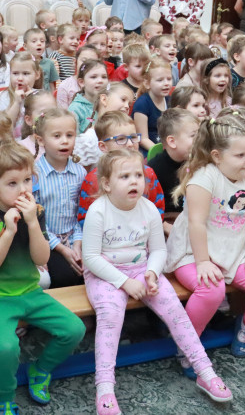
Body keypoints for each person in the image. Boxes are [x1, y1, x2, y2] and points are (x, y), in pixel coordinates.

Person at [83, 150, 232, 412]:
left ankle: (204, 370)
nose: (134, 181)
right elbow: (91, 258)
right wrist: (125, 283)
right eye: (125, 176)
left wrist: (152, 272)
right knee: (110, 315)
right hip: (105, 273)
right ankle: (104, 387)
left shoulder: (149, 208)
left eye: (138, 175)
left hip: (142, 268)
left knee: (175, 310)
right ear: (106, 184)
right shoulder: (98, 211)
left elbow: (159, 250)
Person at [0, 142, 85, 415]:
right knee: (7, 347)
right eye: (12, 183)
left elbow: (41, 259)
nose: (23, 189)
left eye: (26, 180)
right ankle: (4, 399)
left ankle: (40, 369)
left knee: (74, 329)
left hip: (29, 292)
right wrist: (8, 232)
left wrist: (32, 223)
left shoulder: (37, 212)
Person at [164, 113, 245, 364]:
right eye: (240, 155)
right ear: (217, 156)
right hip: (193, 252)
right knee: (211, 290)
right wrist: (203, 261)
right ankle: (188, 346)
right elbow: (196, 223)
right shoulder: (204, 177)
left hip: (233, 248)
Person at [31, 108, 87, 288]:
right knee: (64, 276)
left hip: (75, 237)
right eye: (57, 136)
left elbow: (81, 212)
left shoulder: (80, 172)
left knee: (90, 269)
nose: (64, 141)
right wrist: (61, 248)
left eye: (69, 135)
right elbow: (34, 218)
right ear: (41, 140)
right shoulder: (34, 174)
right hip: (45, 240)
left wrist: (77, 244)